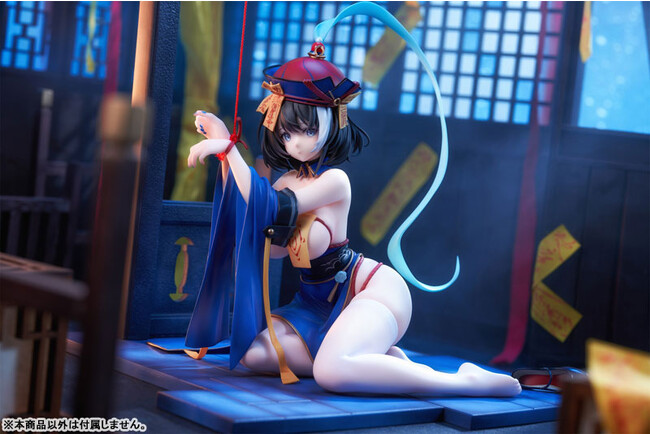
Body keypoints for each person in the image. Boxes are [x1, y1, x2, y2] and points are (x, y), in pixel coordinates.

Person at [183, 41, 521, 397]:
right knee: (253, 355)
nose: (296, 143)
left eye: (307, 130)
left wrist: (228, 150)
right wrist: (227, 163)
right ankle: (370, 359)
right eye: (286, 133)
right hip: (314, 304)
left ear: (333, 122)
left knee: (330, 372)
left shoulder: (334, 181)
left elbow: (273, 207)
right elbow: (267, 234)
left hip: (370, 290)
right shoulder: (285, 181)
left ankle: (465, 382)